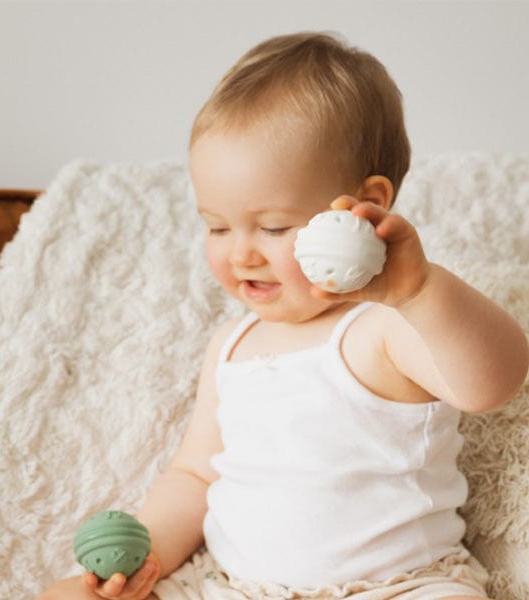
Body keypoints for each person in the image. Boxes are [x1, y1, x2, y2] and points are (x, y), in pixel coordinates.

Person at [37, 31, 529, 600]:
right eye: (217, 227)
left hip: (395, 586)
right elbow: (194, 477)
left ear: (365, 206)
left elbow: (492, 382)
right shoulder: (232, 345)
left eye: (272, 227)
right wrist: (145, 560)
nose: (241, 253)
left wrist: (420, 290)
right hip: (238, 587)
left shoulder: (384, 326)